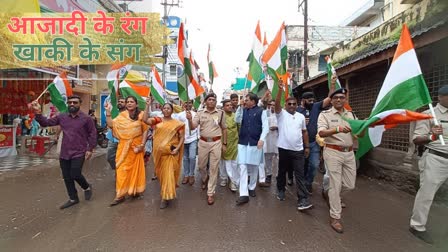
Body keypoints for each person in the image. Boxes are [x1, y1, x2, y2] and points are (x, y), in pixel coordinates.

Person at [31, 95, 95, 209]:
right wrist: (38, 112)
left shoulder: (86, 119)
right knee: (67, 176)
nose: (72, 104)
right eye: (70, 102)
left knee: (75, 173)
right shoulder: (62, 117)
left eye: (75, 102)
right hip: (65, 152)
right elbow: (46, 123)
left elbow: (92, 134)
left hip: (79, 151)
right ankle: (73, 198)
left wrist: (90, 149)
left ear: (79, 104)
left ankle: (86, 187)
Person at [409, 85, 448, 244]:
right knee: (426, 194)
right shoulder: (428, 115)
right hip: (435, 159)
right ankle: (417, 226)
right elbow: (416, 139)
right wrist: (432, 136)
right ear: (440, 97)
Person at [317, 88, 357, 233]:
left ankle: (330, 193)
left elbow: (357, 132)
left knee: (350, 185)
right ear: (332, 100)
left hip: (349, 153)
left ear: (345, 99)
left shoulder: (351, 115)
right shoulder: (325, 115)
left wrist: (365, 127)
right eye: (336, 98)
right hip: (333, 151)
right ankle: (335, 217)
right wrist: (337, 129)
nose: (339, 100)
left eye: (341, 97)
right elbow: (321, 132)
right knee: (335, 183)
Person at [105, 96, 149, 206]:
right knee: (121, 170)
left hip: (136, 147)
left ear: (136, 104)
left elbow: (145, 130)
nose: (129, 103)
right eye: (127, 102)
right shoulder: (121, 116)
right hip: (123, 147)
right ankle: (120, 195)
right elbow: (111, 125)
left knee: (135, 170)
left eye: (131, 102)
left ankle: (133, 190)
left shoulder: (141, 115)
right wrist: (108, 113)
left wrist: (142, 145)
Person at [274, 80, 311, 211]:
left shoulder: (301, 117)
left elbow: (304, 132)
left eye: (294, 104)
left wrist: (307, 147)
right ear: (285, 105)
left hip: (298, 150)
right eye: (289, 104)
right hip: (283, 149)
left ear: (297, 105)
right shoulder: (281, 114)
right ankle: (280, 190)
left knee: (300, 174)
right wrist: (279, 90)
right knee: (282, 171)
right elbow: (277, 104)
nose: (291, 105)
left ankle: (303, 199)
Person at [186, 93, 227, 205]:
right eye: (209, 99)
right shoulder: (200, 113)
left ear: (216, 101)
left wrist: (224, 144)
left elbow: (224, 129)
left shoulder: (221, 113)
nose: (211, 101)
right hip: (203, 142)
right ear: (205, 101)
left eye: (214, 100)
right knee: (201, 166)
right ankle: (204, 177)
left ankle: (210, 193)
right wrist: (189, 120)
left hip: (216, 142)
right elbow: (193, 127)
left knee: (214, 168)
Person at [143, 99, 185, 209]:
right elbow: (145, 120)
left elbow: (181, 138)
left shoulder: (178, 124)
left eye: (168, 108)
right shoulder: (157, 120)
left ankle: (165, 197)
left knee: (168, 173)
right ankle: (167, 191)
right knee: (161, 175)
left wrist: (177, 149)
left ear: (172, 111)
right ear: (162, 110)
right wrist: (147, 106)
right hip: (158, 153)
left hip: (171, 153)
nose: (166, 110)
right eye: (164, 108)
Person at [297, 77, 334, 194]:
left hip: (314, 143)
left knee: (314, 165)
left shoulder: (316, 107)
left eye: (313, 100)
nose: (311, 102)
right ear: (303, 101)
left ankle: (308, 183)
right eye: (309, 101)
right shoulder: (296, 111)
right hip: (299, 144)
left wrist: (332, 84)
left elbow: (329, 99)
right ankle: (300, 184)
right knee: (301, 166)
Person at [235, 93, 268, 205]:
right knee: (242, 166)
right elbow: (237, 120)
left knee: (254, 166)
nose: (245, 101)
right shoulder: (243, 110)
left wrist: (262, 139)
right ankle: (243, 194)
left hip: (255, 143)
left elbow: (265, 127)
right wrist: (240, 107)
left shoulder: (261, 111)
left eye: (247, 100)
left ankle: (251, 186)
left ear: (253, 101)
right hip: (243, 142)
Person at [175, 100, 199, 186]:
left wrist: (198, 137)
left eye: (189, 103)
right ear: (183, 104)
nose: (188, 104)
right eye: (186, 102)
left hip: (193, 139)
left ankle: (191, 175)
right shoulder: (179, 115)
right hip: (183, 139)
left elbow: (197, 127)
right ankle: (186, 175)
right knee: (185, 158)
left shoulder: (196, 114)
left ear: (192, 104)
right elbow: (177, 127)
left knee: (192, 157)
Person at [220, 99, 239, 192]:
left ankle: (233, 181)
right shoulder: (220, 116)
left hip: (234, 142)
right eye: (227, 105)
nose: (230, 107)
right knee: (224, 162)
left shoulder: (236, 116)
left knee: (234, 163)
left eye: (231, 105)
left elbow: (239, 128)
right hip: (223, 142)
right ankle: (224, 178)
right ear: (223, 107)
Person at [259, 99, 278, 187]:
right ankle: (269, 175)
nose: (272, 106)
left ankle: (278, 175)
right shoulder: (265, 113)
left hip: (278, 139)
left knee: (278, 159)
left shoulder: (280, 114)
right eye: (270, 104)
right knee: (268, 159)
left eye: (274, 105)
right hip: (267, 139)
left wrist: (277, 127)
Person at [106, 97, 126, 170]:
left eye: (122, 102)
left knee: (123, 158)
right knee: (110, 157)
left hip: (123, 139)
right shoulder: (113, 111)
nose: (120, 103)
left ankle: (120, 173)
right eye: (119, 101)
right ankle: (117, 169)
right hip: (112, 138)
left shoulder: (129, 114)